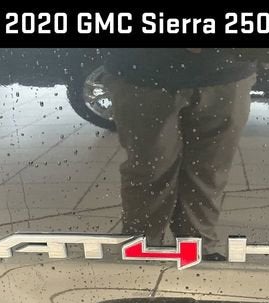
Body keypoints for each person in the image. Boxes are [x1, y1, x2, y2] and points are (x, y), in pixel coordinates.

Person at [104, 48, 257, 260]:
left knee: (209, 171)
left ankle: (197, 247)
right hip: (141, 73)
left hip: (227, 72)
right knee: (150, 170)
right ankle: (141, 246)